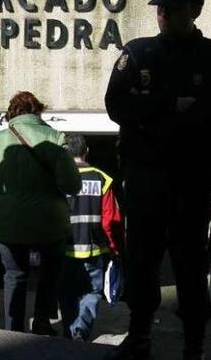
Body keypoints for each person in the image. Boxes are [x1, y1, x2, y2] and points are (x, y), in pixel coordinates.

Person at [104, 0, 211, 360]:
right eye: (161, 8)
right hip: (145, 178)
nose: (164, 15)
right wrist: (169, 105)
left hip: (191, 180)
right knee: (141, 260)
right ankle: (139, 333)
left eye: (174, 9)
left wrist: (147, 114)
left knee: (190, 265)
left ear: (196, 10)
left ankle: (193, 343)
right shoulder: (139, 51)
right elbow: (116, 106)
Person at [0, 91, 81, 335]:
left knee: (14, 275)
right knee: (50, 273)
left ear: (11, 114)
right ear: (38, 112)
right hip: (50, 221)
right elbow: (72, 185)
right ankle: (42, 322)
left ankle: (12, 330)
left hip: (8, 221)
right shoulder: (56, 138)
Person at [57, 134, 124, 342]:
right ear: (86, 152)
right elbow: (111, 220)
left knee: (67, 292)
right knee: (91, 292)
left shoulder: (57, 179)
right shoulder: (101, 179)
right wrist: (116, 249)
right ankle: (81, 329)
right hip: (95, 251)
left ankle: (69, 329)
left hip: (65, 250)